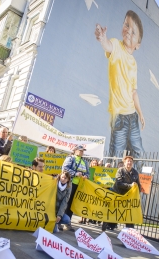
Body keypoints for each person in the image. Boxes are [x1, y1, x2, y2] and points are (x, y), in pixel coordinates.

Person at [95, 10, 145, 160]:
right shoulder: (116, 45)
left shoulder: (134, 63)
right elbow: (108, 46)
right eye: (126, 25)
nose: (128, 30)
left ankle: (133, 180)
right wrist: (102, 38)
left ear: (138, 45)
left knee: (139, 153)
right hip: (119, 117)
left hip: (133, 116)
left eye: (133, 31)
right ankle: (110, 182)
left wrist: (141, 114)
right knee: (116, 153)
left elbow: (134, 92)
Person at [102, 155, 141, 231]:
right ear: (124, 162)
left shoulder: (135, 173)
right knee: (112, 211)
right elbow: (119, 183)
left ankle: (130, 231)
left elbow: (138, 185)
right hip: (117, 194)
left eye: (131, 161)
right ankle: (107, 225)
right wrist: (130, 186)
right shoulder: (120, 170)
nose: (129, 163)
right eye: (128, 161)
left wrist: (137, 192)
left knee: (129, 214)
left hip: (128, 197)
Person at [62, 145, 90, 231]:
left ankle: (68, 222)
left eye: (83, 151)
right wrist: (75, 173)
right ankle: (59, 221)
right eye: (80, 150)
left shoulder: (85, 162)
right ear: (75, 151)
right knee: (65, 202)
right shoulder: (71, 158)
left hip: (79, 186)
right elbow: (65, 169)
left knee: (72, 204)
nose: (82, 152)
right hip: (70, 183)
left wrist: (86, 176)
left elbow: (88, 173)